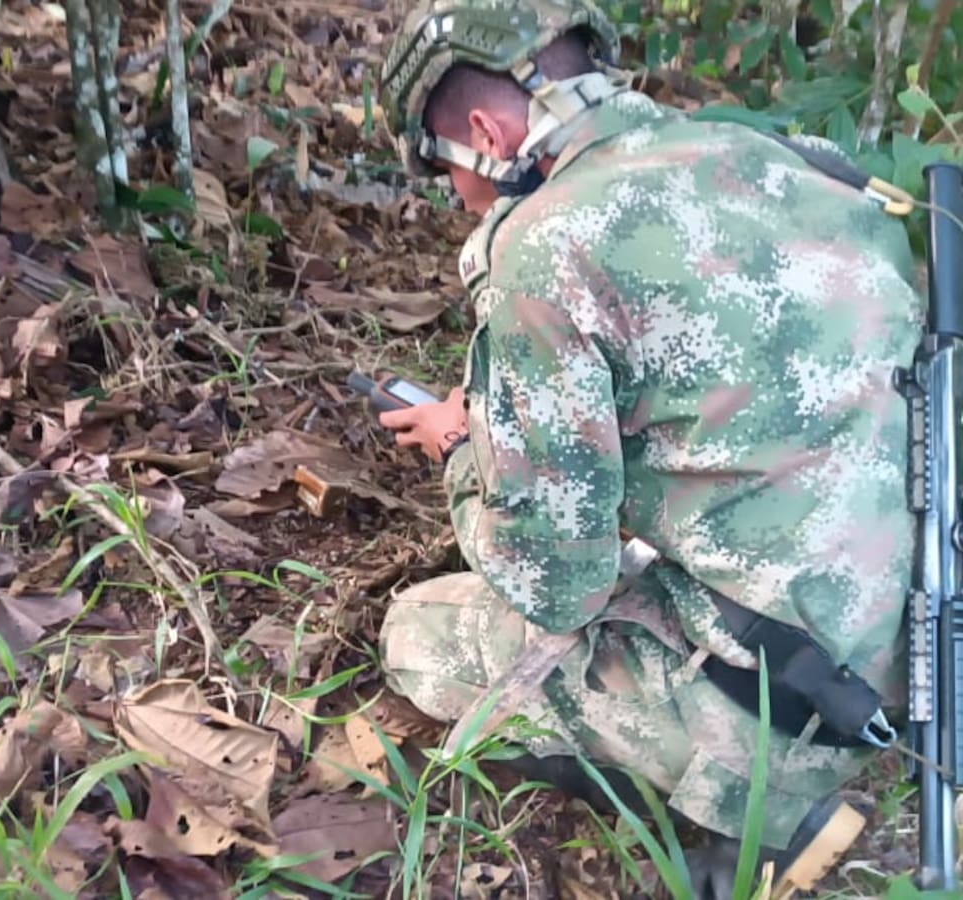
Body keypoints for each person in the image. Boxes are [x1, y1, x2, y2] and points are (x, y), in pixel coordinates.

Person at [373, 0, 925, 895]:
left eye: (445, 173)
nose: (455, 200)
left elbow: (559, 583)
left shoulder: (547, 244)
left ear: (483, 130)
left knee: (421, 633)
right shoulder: (792, 166)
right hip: (913, 653)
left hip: (777, 698)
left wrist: (460, 450)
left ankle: (750, 803)